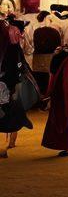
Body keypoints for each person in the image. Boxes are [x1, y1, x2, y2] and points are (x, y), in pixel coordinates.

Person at [0, 23, 32, 157]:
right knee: (8, 114)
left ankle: (4, 147)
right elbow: (18, 67)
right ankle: (7, 145)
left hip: (6, 85)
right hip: (7, 85)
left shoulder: (8, 46)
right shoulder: (13, 47)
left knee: (6, 115)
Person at [41, 46, 68, 156]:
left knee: (63, 121)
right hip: (63, 98)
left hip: (60, 98)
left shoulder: (60, 62)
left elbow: (58, 82)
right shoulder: (66, 63)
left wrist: (47, 95)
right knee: (66, 121)